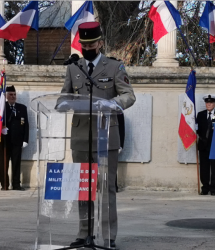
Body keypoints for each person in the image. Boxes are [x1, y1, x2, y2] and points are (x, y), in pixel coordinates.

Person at [61, 21, 136, 248]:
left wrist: (111, 104)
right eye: (83, 44)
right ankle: (84, 233)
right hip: (81, 137)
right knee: (83, 186)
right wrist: (63, 103)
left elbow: (129, 96)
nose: (87, 47)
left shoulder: (114, 67)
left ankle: (108, 236)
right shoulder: (73, 68)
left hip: (106, 137)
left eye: (91, 43)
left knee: (106, 188)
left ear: (100, 42)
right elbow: (63, 96)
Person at [0, 85, 29, 191]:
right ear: (6, 96)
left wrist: (25, 140)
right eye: (10, 94)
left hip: (17, 141)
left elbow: (26, 125)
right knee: (4, 163)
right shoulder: (2, 107)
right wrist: (1, 130)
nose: (13, 96)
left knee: (16, 163)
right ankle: (4, 184)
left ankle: (16, 184)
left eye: (14, 94)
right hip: (5, 141)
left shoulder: (22, 108)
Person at [196, 94, 215, 196]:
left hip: (214, 145)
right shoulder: (200, 115)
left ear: (214, 104)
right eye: (207, 103)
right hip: (203, 145)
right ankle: (205, 188)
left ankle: (213, 189)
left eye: (211, 103)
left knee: (214, 168)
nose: (209, 104)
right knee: (204, 168)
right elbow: (196, 128)